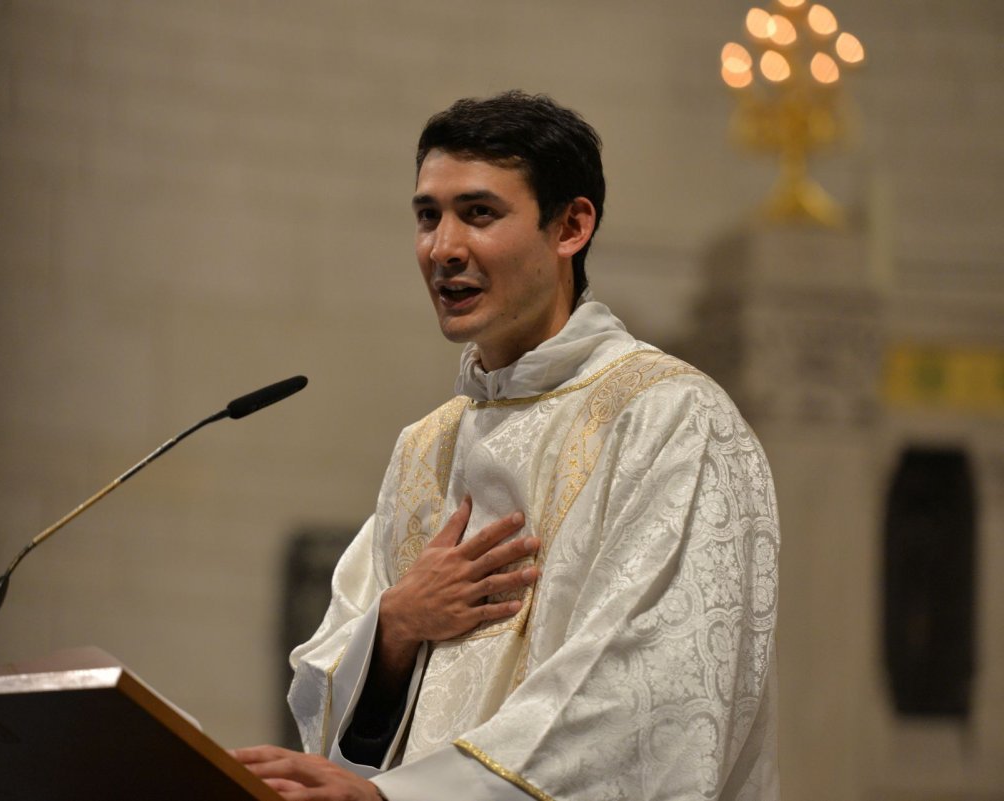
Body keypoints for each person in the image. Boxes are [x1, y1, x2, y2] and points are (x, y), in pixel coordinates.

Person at [234, 91, 779, 800]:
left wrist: (395, 798)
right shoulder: (427, 447)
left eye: (479, 213)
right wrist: (394, 630)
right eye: (428, 215)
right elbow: (330, 697)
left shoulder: (671, 419)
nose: (443, 248)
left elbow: (647, 699)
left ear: (571, 226)